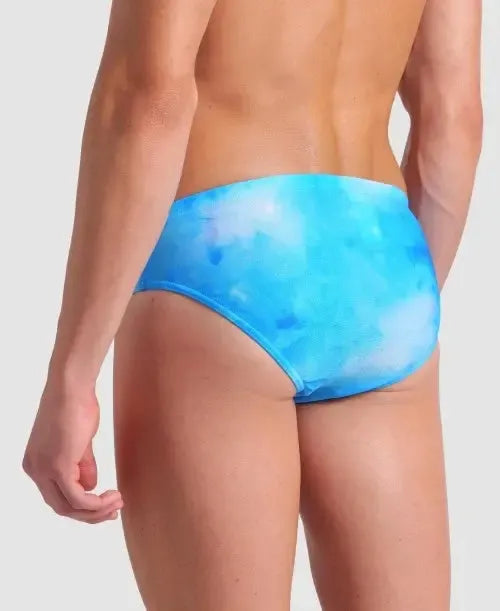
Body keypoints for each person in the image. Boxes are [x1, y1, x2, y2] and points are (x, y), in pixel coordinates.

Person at [22, 0, 482, 608]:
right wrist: (393, 317)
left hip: (223, 260)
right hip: (380, 266)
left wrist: (72, 375)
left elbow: (148, 99)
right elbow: (453, 116)